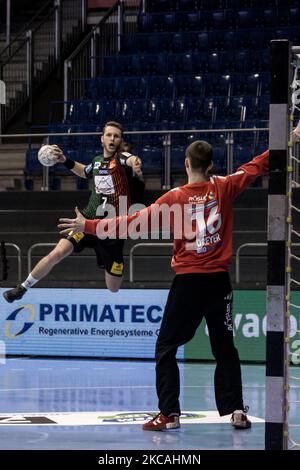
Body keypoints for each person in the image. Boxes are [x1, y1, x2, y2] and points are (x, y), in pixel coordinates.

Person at [58, 140, 269, 430]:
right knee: (225, 348)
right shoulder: (225, 186)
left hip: (188, 283)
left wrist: (89, 226)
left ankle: (169, 414)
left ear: (185, 163)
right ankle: (236, 411)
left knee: (166, 347)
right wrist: (291, 136)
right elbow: (256, 165)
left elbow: (130, 222)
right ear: (210, 165)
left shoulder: (174, 197)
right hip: (219, 282)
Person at [3, 121, 142, 303]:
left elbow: (129, 158)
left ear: (120, 140)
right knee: (57, 252)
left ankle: (104, 258)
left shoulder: (120, 159)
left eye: (116, 136)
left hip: (112, 231)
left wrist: (135, 162)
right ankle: (23, 287)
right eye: (109, 135)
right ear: (102, 139)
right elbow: (84, 171)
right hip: (85, 222)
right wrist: (65, 161)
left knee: (113, 287)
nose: (112, 138)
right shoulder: (97, 161)